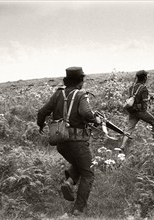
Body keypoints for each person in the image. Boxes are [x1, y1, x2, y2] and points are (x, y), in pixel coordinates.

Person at [37, 66, 101, 216]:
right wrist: (95, 119)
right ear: (80, 81)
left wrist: (41, 124)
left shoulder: (58, 94)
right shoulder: (81, 94)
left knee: (79, 164)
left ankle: (69, 183)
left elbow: (42, 112)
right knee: (88, 173)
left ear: (67, 81)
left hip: (61, 142)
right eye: (83, 80)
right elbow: (86, 113)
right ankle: (78, 210)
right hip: (77, 142)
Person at [120, 70, 154, 151]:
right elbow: (144, 101)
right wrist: (150, 98)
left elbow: (132, 99)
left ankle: (122, 146)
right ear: (144, 78)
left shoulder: (131, 87)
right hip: (141, 112)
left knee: (129, 129)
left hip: (132, 112)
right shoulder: (143, 88)